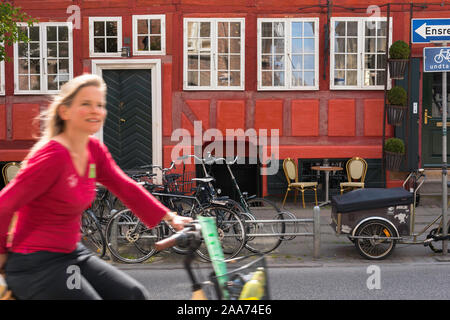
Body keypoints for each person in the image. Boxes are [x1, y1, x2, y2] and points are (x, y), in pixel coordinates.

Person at [0, 74, 192, 300]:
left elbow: (125, 186)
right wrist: (2, 255)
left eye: (100, 105)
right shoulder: (52, 156)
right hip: (37, 263)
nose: (96, 110)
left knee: (133, 295)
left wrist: (171, 217)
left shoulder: (93, 150)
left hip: (70, 253)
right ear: (65, 111)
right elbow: (5, 204)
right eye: (86, 104)